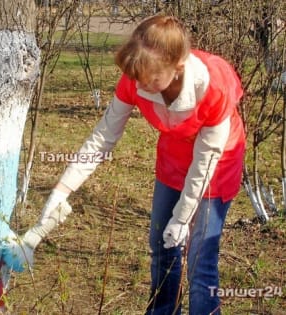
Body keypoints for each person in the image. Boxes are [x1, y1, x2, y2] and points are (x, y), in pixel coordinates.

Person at [22, 14, 245, 315]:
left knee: (199, 259)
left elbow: (205, 161)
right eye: (138, 78)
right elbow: (103, 137)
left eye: (151, 79)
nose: (142, 86)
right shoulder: (138, 76)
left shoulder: (212, 89)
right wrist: (62, 190)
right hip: (174, 156)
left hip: (217, 164)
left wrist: (182, 218)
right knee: (161, 246)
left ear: (177, 66)